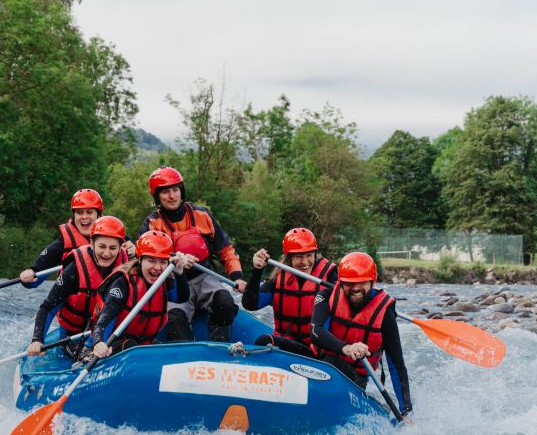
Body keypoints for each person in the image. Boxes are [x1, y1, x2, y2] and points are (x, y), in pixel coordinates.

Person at [140, 166, 244, 342]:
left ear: (181, 192)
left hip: (205, 277)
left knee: (225, 301)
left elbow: (225, 249)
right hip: (174, 285)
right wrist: (175, 259)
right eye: (165, 192)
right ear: (157, 196)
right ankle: (186, 354)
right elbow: (148, 260)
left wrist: (238, 276)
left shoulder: (202, 215)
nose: (172, 196)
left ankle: (219, 348)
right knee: (175, 320)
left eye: (175, 190)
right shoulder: (152, 224)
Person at [311, 252, 411, 418]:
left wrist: (405, 411)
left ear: (373, 281)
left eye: (362, 282)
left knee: (330, 363)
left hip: (355, 380)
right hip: (322, 365)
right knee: (266, 341)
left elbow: (396, 365)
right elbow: (316, 332)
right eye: (349, 283)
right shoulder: (326, 296)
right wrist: (347, 348)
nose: (355, 288)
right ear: (341, 283)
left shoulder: (385, 314)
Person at [27, 216, 129, 360]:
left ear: (121, 247)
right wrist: (37, 339)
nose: (106, 253)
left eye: (113, 248)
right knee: (93, 357)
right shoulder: (74, 271)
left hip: (108, 331)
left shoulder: (129, 266)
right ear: (92, 243)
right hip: (76, 335)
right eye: (101, 246)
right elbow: (48, 307)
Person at [87, 230, 196, 359]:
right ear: (140, 259)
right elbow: (104, 320)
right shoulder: (123, 283)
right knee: (132, 347)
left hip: (144, 343)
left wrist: (179, 273)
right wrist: (99, 343)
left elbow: (181, 298)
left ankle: (187, 359)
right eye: (151, 261)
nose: (157, 268)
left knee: (177, 316)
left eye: (162, 262)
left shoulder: (164, 279)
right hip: (115, 344)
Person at [241, 227, 339, 357]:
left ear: (315, 254)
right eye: (299, 257)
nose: (305, 262)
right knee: (264, 341)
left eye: (309, 255)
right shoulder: (279, 278)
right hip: (289, 344)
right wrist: (257, 270)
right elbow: (250, 304)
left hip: (318, 351)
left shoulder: (330, 276)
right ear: (289, 258)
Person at [20, 189, 132, 285]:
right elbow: (39, 269)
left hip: (108, 302)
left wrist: (134, 250)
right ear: (74, 216)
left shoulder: (115, 235)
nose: (84, 217)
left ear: (98, 215)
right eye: (79, 213)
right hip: (75, 299)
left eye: (89, 212)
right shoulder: (63, 243)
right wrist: (31, 272)